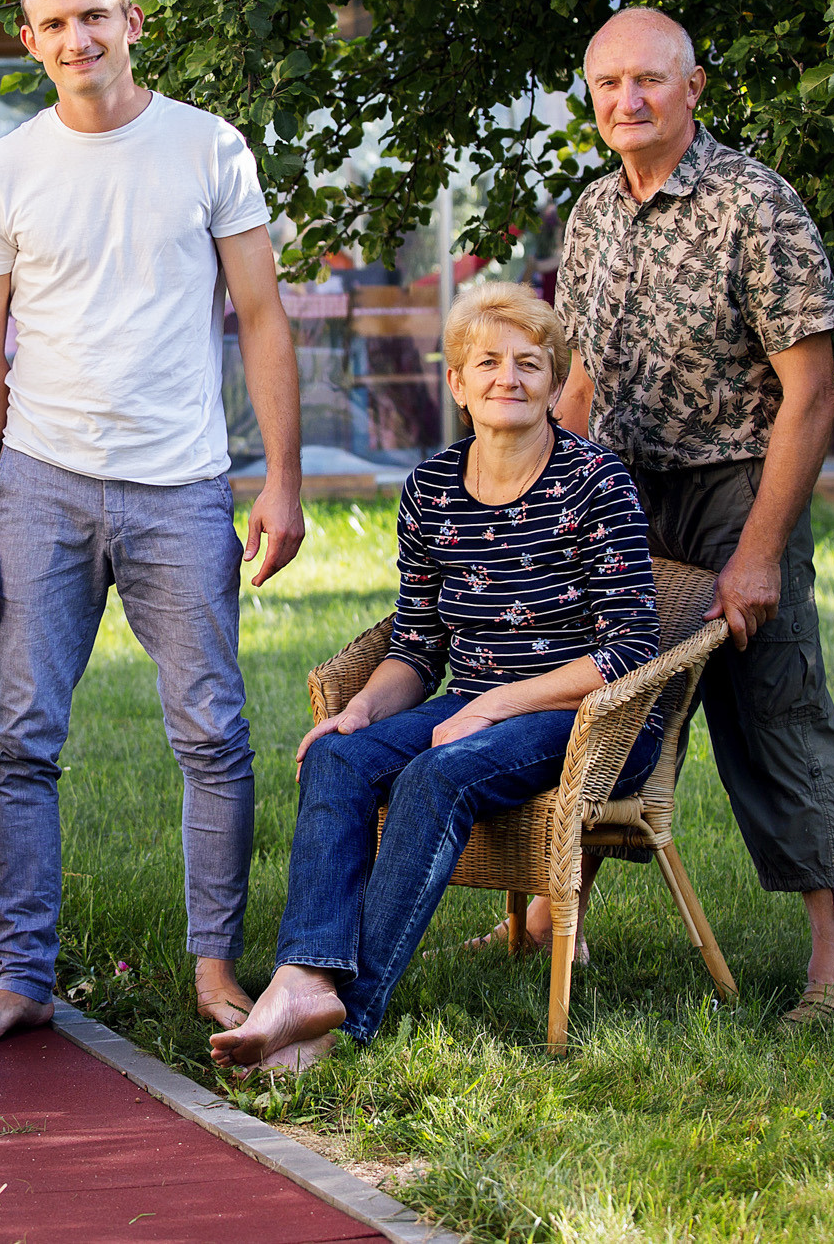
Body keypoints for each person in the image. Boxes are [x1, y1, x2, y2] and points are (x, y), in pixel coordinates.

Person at [0, 0, 307, 1049]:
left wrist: (281, 479)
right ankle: (20, 972)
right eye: (52, 24)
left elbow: (261, 315)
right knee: (20, 736)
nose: (76, 40)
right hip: (42, 484)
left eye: (94, 16)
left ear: (133, 19)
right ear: (30, 36)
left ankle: (211, 963)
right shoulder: (7, 167)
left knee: (212, 731)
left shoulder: (206, 147)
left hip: (183, 485)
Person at [211, 285, 660, 1071]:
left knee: (435, 776)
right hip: (475, 705)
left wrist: (490, 706)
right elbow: (417, 648)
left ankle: (344, 1022)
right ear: (457, 383)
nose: (508, 378)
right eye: (487, 362)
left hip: (594, 716)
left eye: (529, 363)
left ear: (556, 383)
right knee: (335, 756)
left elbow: (628, 651)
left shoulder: (598, 483)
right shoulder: (431, 490)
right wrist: (358, 711)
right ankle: (306, 975)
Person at [549, 5, 834, 1026]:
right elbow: (580, 375)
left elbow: (811, 393)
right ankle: (556, 919)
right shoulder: (592, 213)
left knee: (771, 706)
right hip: (622, 486)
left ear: (692, 88)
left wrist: (760, 550)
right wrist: (548, 496)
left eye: (648, 80)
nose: (626, 100)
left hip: (740, 478)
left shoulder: (754, 205)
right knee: (599, 704)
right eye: (607, 84)